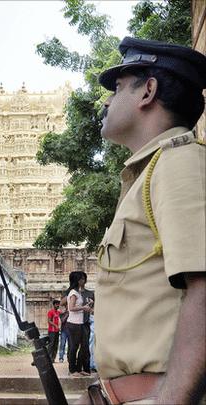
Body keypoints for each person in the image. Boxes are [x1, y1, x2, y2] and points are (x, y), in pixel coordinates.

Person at [76, 37, 206, 405]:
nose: (106, 101)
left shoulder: (179, 163)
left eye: (116, 88)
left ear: (148, 91)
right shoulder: (149, 174)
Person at [66, 271, 92, 377]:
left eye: (84, 278)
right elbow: (71, 308)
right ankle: (72, 370)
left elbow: (78, 307)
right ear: (77, 281)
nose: (83, 281)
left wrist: (87, 305)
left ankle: (79, 368)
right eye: (81, 279)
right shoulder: (73, 293)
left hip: (80, 323)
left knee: (84, 346)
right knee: (74, 347)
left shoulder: (78, 293)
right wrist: (83, 307)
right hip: (74, 323)